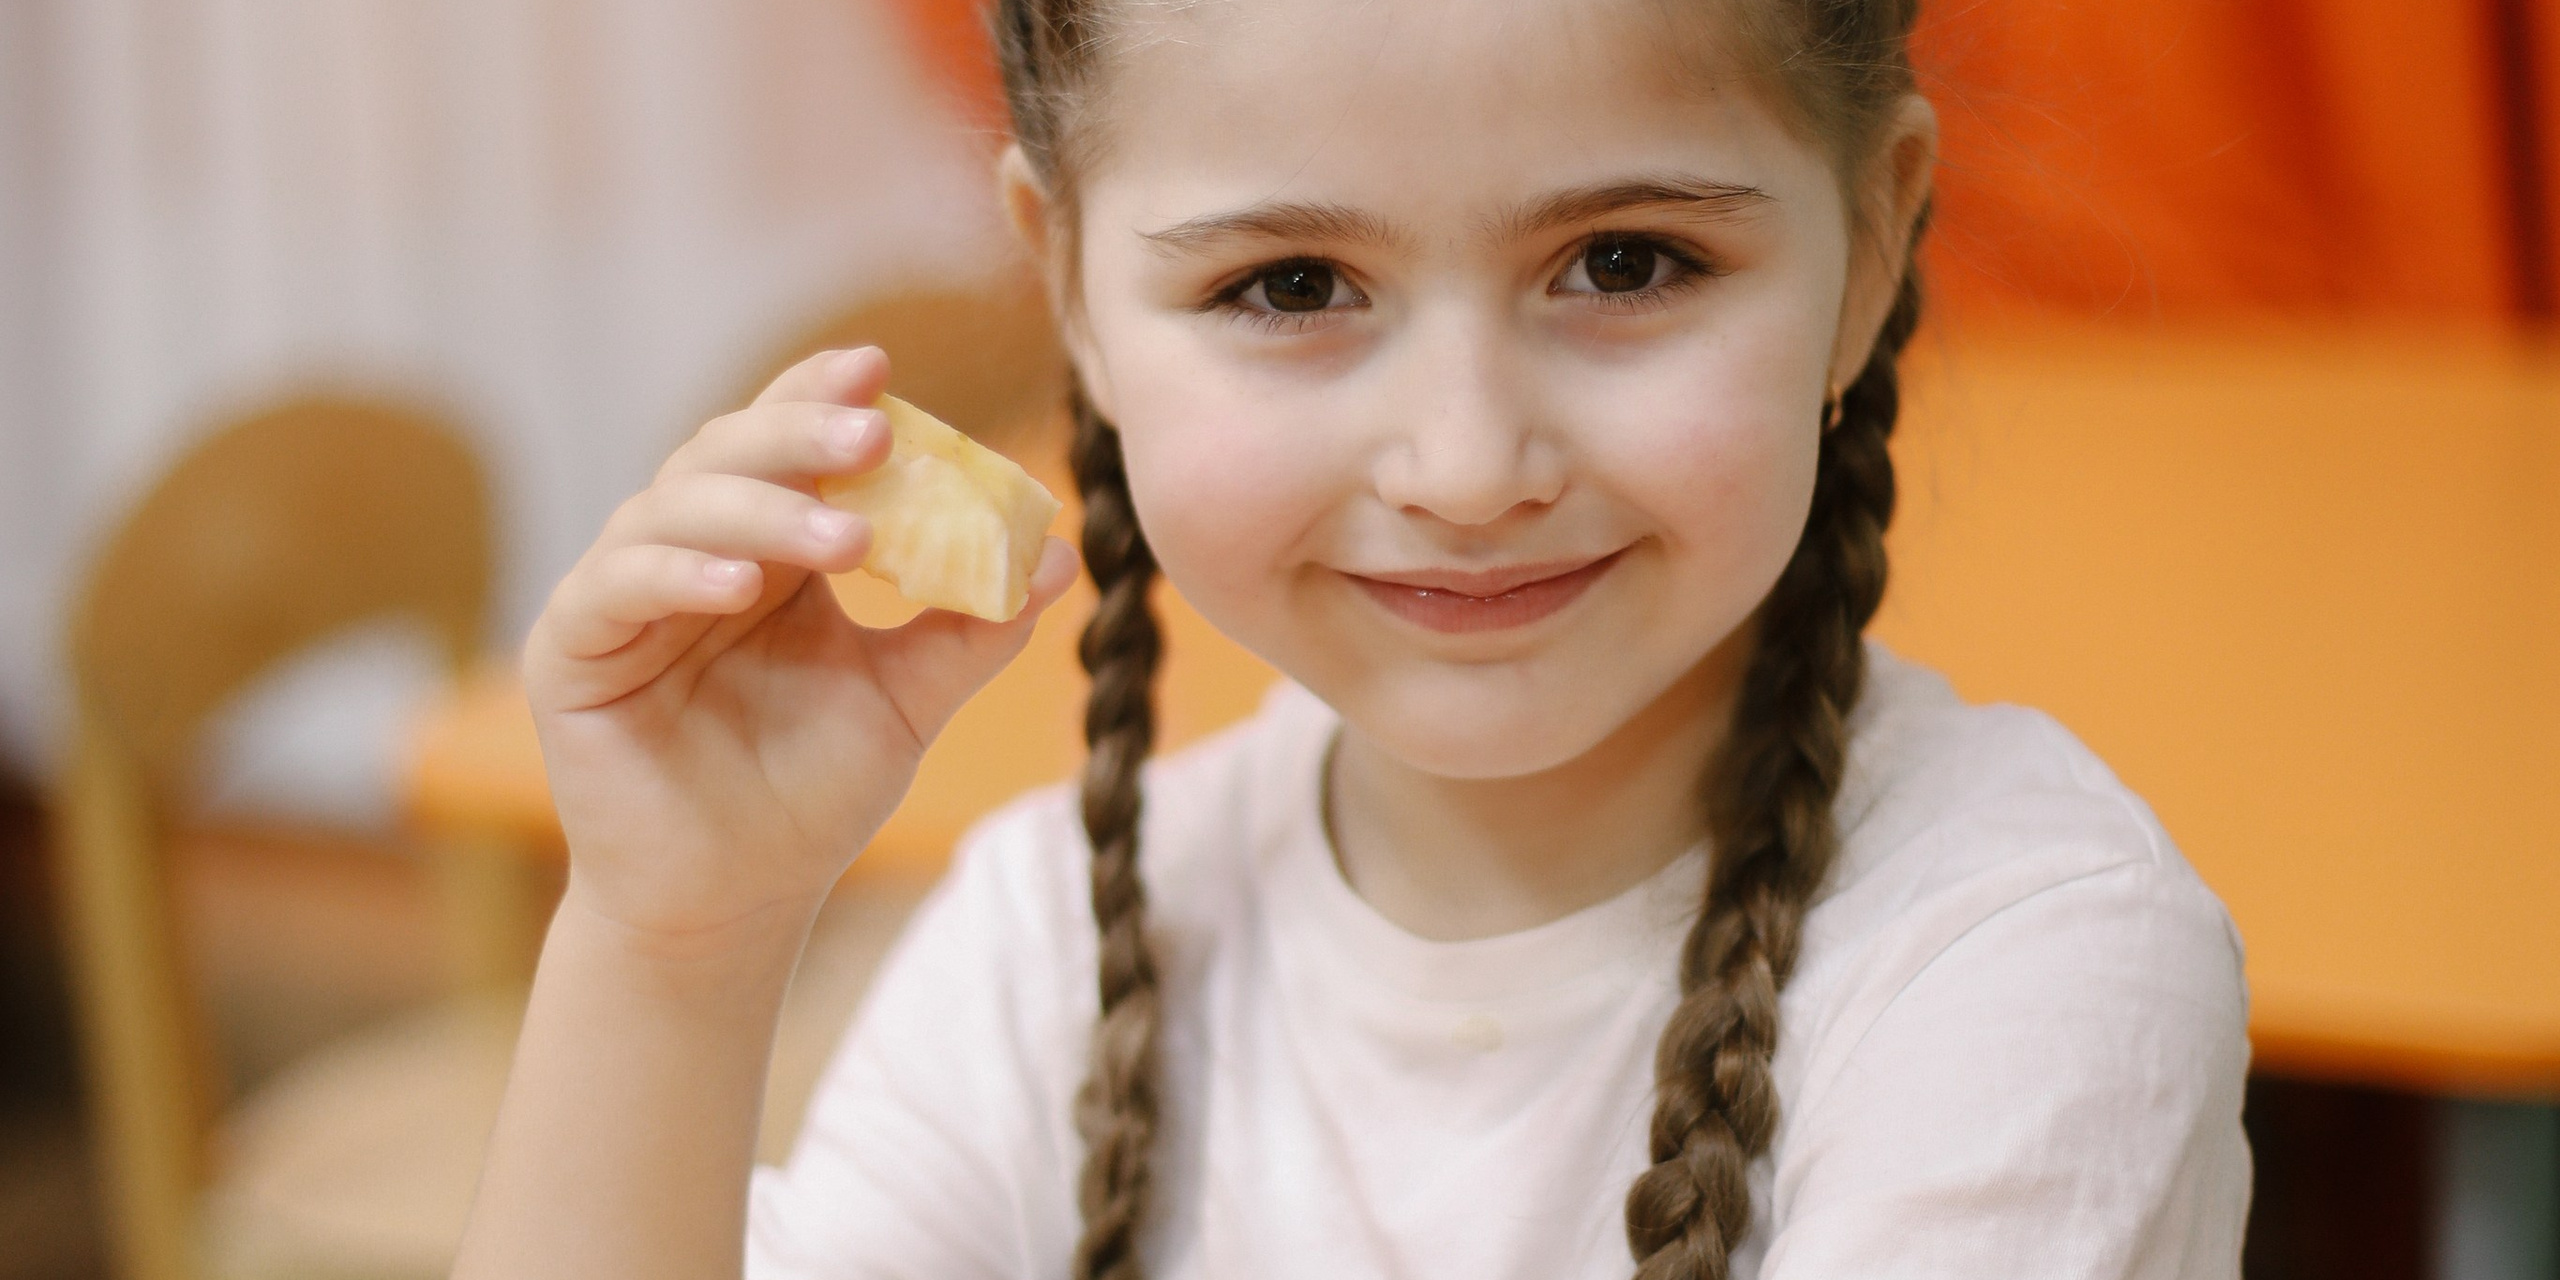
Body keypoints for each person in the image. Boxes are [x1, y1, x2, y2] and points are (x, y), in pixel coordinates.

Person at [452, 0, 2252, 1276]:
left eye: (1625, 262)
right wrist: (676, 940)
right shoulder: (1051, 942)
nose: (1469, 467)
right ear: (1067, 286)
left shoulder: (2029, 967)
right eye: (1291, 288)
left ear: (1872, 242)